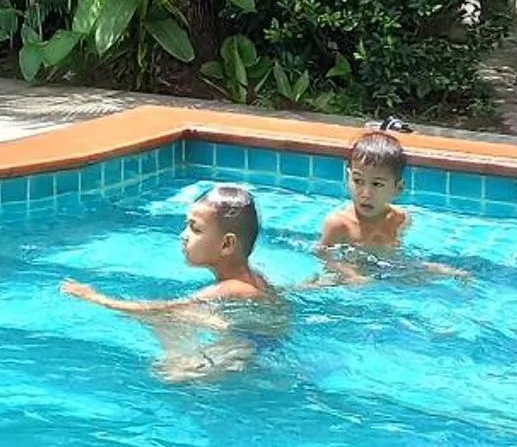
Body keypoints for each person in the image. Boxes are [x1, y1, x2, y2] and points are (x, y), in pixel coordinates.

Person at [60, 183, 283, 380]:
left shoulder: (229, 289)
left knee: (169, 370)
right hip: (260, 343)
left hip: (249, 352)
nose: (183, 235)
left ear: (227, 244)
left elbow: (160, 309)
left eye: (195, 229)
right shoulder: (256, 279)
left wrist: (94, 297)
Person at [313, 128, 465, 284]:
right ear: (348, 177)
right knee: (315, 287)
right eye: (358, 181)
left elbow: (394, 259)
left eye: (377, 184)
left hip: (382, 272)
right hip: (344, 278)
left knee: (446, 275)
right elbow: (323, 255)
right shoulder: (338, 223)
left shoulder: (400, 219)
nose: (366, 193)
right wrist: (352, 275)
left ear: (398, 188)